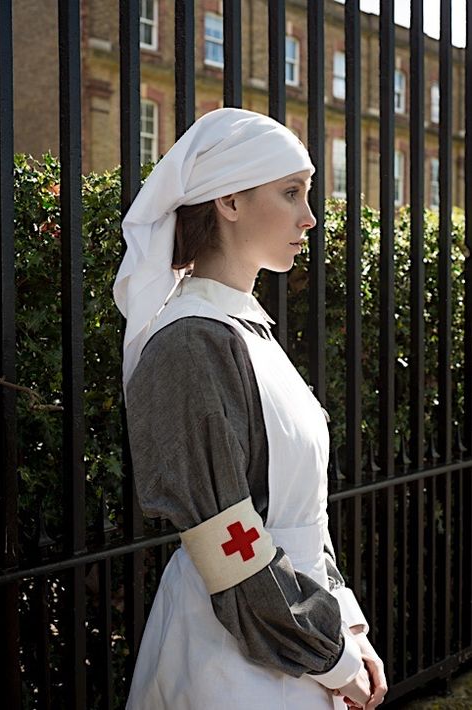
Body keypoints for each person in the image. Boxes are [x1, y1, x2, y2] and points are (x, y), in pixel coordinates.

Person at [114, 108, 387, 709]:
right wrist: (330, 655)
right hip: (230, 660)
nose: (309, 217)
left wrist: (348, 627)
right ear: (230, 201)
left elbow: (301, 516)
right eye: (291, 193)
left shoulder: (248, 330)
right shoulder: (191, 341)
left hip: (294, 644)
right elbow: (228, 538)